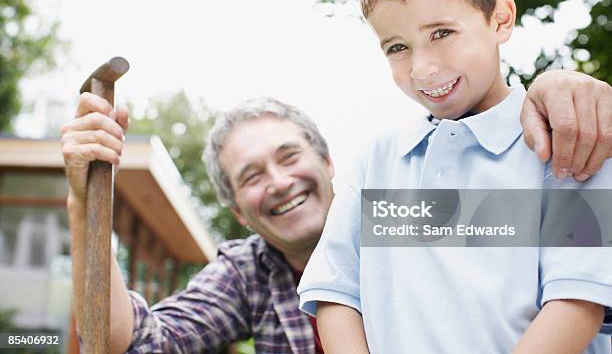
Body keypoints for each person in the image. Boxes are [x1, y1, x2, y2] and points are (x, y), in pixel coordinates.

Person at [61, 79, 612, 350]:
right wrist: (87, 202)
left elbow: (569, 266)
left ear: (329, 163)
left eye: (289, 156)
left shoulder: (410, 211)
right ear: (240, 213)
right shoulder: (249, 272)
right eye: (251, 176)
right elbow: (132, 342)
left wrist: (551, 90)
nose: (278, 183)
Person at [296, 0, 612, 353]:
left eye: (441, 33)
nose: (421, 68)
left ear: (500, 19)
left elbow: (577, 299)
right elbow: (336, 294)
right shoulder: (377, 160)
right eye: (397, 47)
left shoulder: (570, 140)